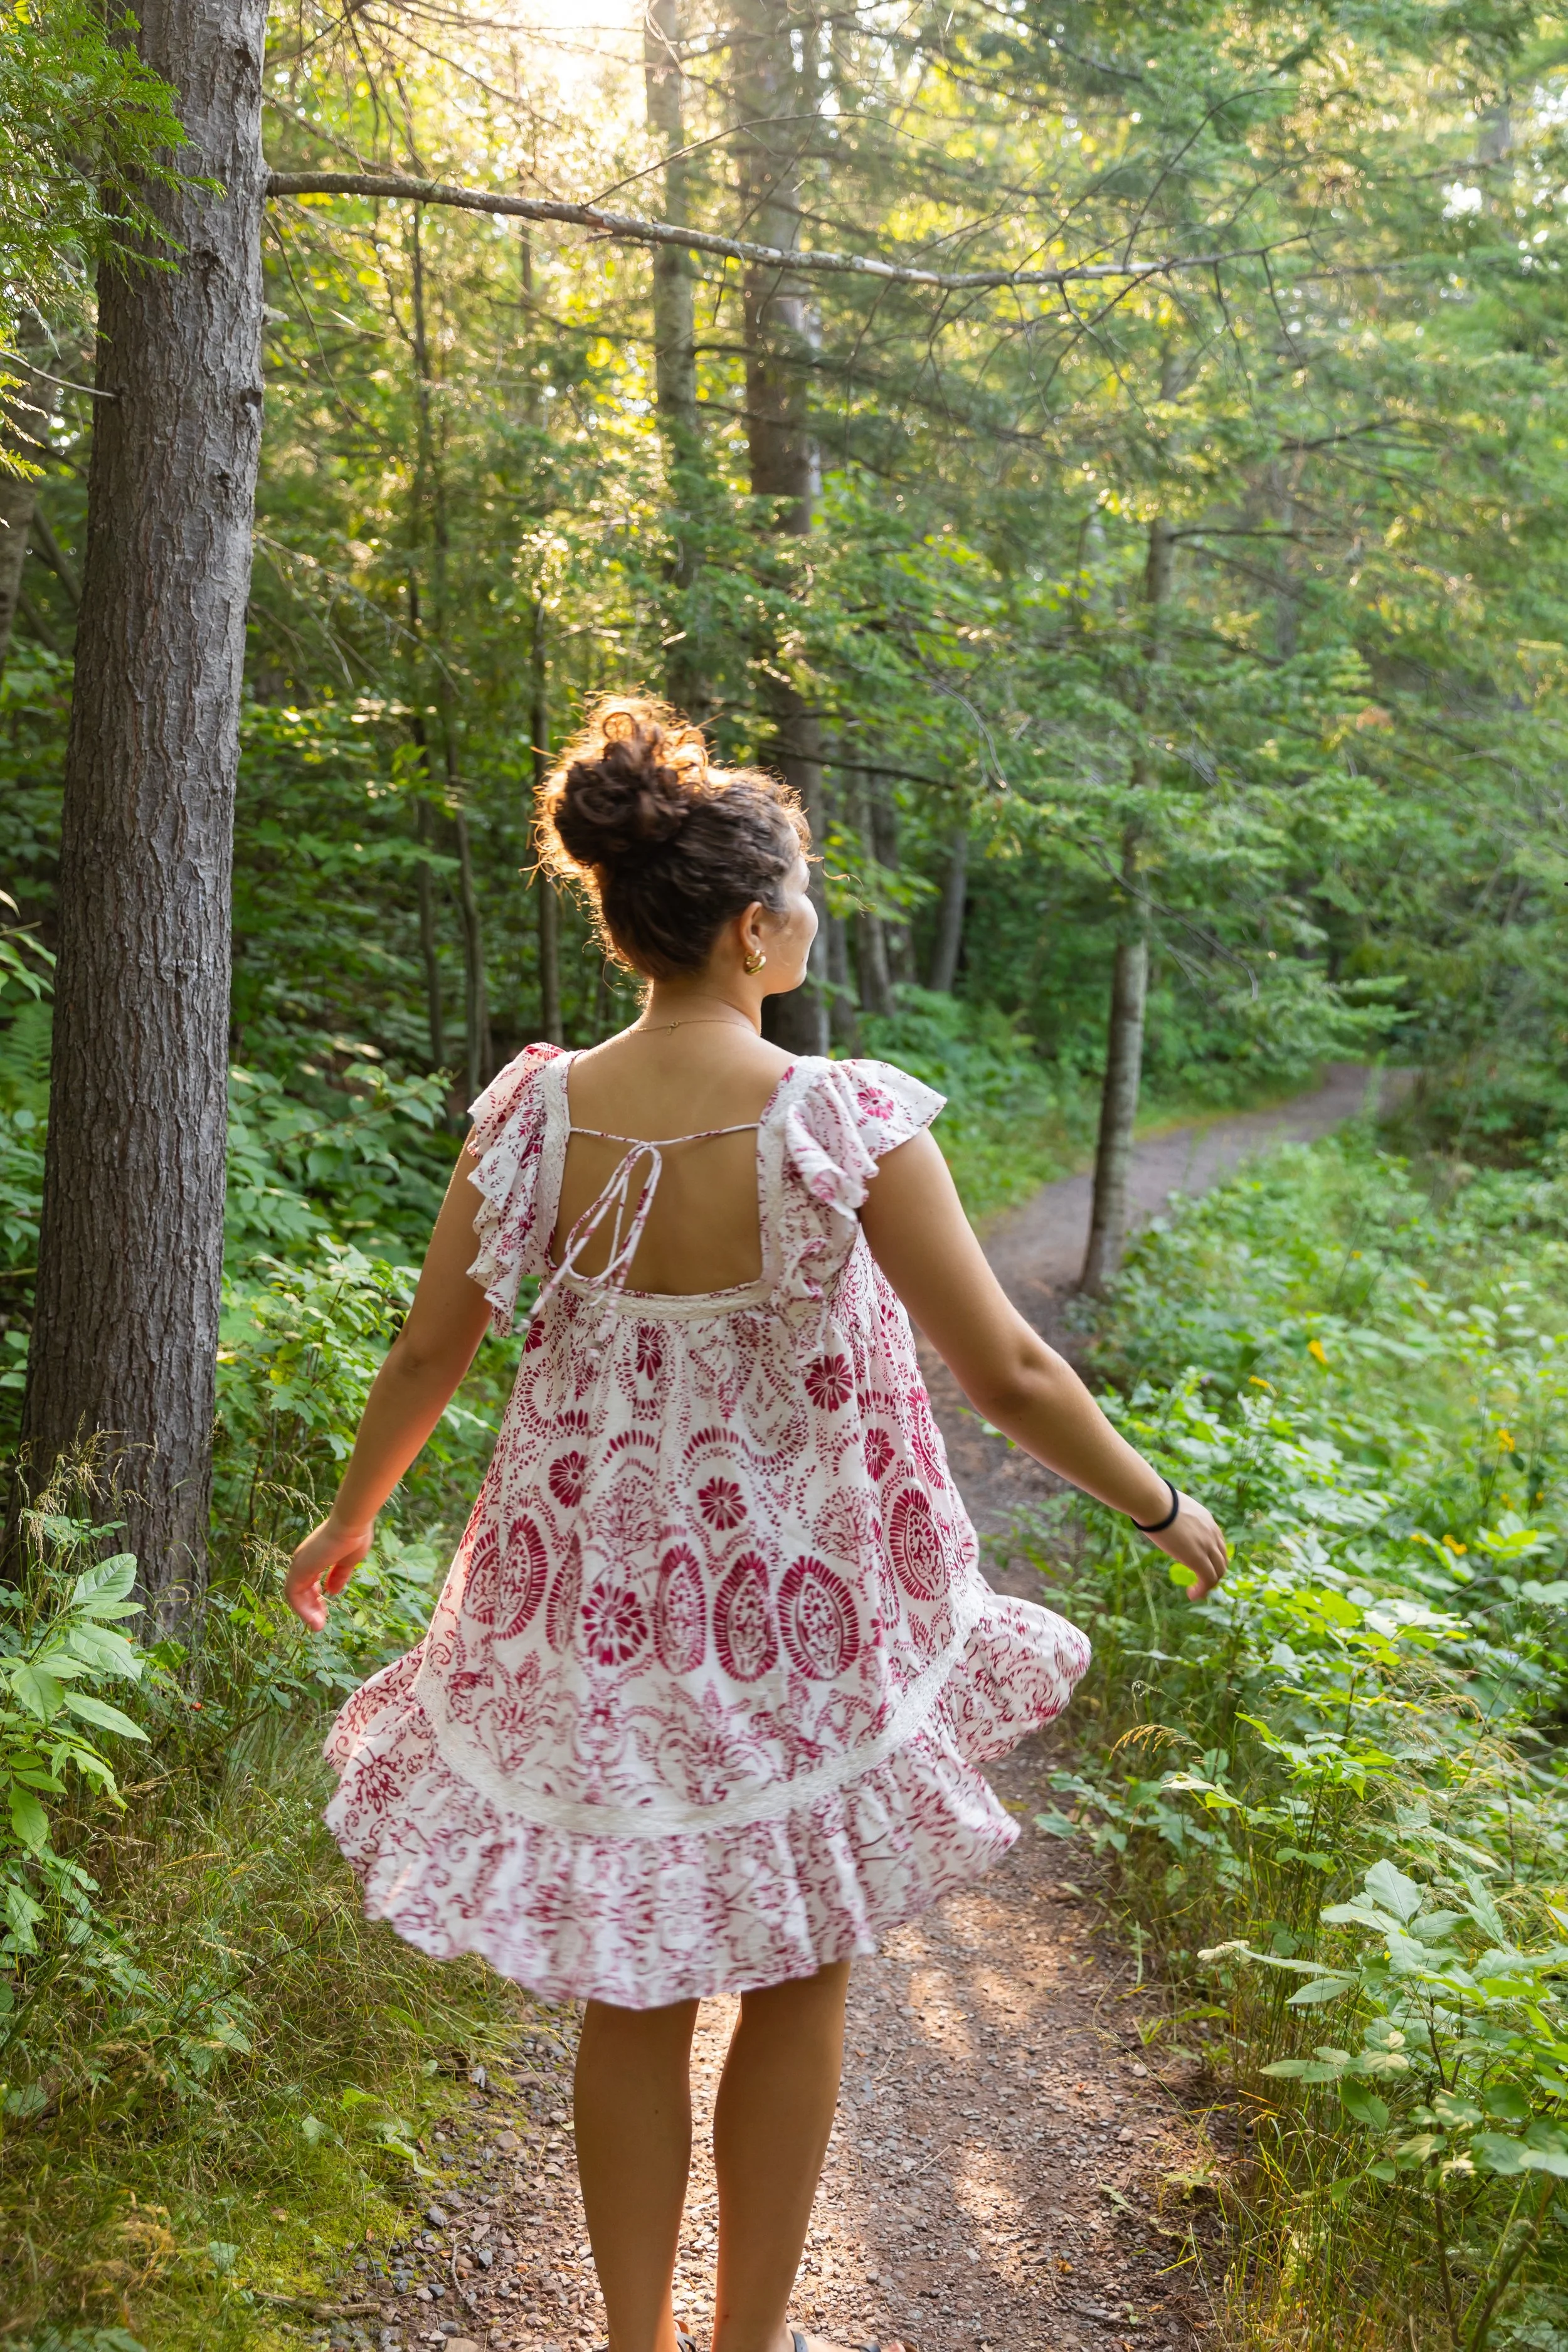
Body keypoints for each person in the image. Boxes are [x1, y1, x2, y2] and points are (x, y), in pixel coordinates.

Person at [286, 697, 1227, 2352]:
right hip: (806, 1607)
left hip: (592, 1620)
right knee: (798, 1970)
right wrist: (1151, 1499)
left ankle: (636, 2338)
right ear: (748, 926)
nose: (811, 919)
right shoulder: (837, 1116)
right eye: (800, 894)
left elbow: (434, 1345)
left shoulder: (535, 1116)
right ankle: (746, 2343)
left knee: (631, 1989)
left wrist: (347, 1520)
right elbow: (1002, 1366)